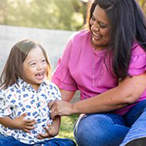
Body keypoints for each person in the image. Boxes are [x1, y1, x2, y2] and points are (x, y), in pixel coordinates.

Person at [48, 0, 146, 146]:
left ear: (120, 28)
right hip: (100, 117)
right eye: (93, 18)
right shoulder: (76, 42)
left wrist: (74, 108)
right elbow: (58, 93)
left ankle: (137, 138)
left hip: (139, 112)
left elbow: (128, 94)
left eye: (102, 25)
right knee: (88, 130)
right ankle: (136, 138)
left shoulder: (137, 45)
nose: (93, 27)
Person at [0, 39, 76, 146]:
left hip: (43, 141)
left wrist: (55, 128)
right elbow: (1, 115)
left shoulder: (51, 89)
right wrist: (14, 123)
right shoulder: (9, 91)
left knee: (68, 144)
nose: (40, 67)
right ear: (18, 68)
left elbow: (56, 113)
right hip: (16, 140)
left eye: (43, 61)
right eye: (33, 64)